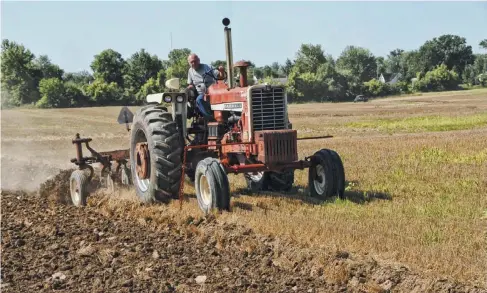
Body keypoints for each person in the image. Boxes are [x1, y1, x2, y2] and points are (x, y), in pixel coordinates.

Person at [186, 53, 224, 119]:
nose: (193, 63)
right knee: (199, 99)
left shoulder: (207, 67)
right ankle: (210, 118)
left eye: (195, 61)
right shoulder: (190, 71)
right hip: (201, 94)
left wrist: (221, 71)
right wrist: (188, 88)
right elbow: (190, 84)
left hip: (212, 92)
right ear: (189, 63)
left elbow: (220, 76)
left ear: (199, 60)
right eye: (191, 62)